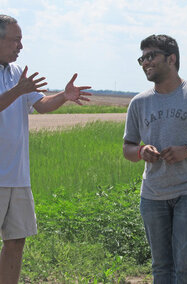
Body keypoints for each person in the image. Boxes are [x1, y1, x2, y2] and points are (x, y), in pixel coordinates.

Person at [123, 34, 187, 283]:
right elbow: (128, 147)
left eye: (151, 55)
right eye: (142, 58)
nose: (145, 62)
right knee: (161, 267)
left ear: (172, 58)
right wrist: (141, 152)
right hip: (153, 195)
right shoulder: (139, 103)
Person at [0, 14, 91, 283]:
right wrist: (17, 92)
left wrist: (64, 96)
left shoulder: (17, 73)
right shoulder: (18, 82)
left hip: (17, 176)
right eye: (15, 40)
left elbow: (41, 105)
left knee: (16, 242)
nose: (20, 46)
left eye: (21, 40)